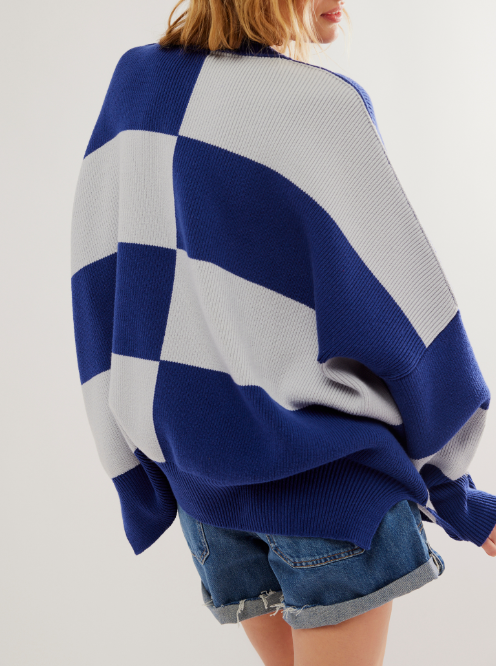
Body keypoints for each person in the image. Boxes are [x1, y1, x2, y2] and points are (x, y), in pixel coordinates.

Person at [70, 0, 496, 664]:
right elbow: (401, 315)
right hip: (330, 493)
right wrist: (453, 490)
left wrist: (132, 469)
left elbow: (100, 283)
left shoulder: (138, 83)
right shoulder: (324, 106)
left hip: (206, 496)